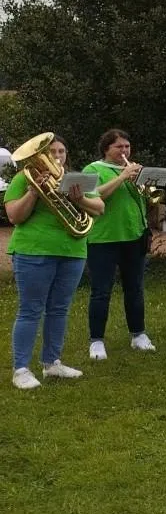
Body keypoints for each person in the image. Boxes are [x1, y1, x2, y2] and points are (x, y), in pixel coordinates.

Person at [6, 134, 104, 389]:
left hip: (72, 251)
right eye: (51, 152)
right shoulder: (24, 178)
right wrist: (33, 192)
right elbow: (14, 216)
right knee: (30, 310)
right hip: (33, 250)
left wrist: (79, 199)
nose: (57, 156)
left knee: (59, 309)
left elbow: (99, 208)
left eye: (61, 151)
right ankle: (21, 369)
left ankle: (52, 363)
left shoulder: (76, 179)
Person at [82, 129, 156, 360]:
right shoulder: (93, 169)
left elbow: (146, 198)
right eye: (119, 147)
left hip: (134, 235)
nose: (124, 150)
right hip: (103, 238)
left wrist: (142, 183)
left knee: (135, 288)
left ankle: (138, 334)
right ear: (106, 149)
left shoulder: (133, 169)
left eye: (127, 146)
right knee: (101, 291)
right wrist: (123, 177)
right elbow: (94, 195)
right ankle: (96, 341)